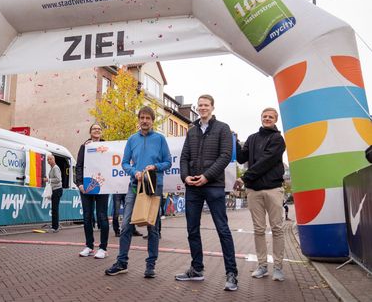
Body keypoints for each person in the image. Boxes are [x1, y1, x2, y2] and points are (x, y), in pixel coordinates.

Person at [175, 94, 238, 292]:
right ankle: (197, 269)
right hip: (192, 187)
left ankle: (231, 274)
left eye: (206, 105)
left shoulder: (223, 128)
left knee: (222, 229)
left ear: (212, 107)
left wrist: (207, 177)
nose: (203, 108)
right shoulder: (191, 131)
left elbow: (225, 156)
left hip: (213, 186)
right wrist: (185, 177)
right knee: (192, 230)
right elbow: (184, 157)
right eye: (200, 105)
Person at [105, 106, 171, 279]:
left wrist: (155, 167)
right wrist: (134, 171)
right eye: (142, 117)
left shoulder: (160, 139)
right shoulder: (132, 139)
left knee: (152, 227)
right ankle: (121, 263)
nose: (144, 121)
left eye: (148, 118)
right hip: (135, 185)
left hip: (154, 186)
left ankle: (150, 265)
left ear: (152, 120)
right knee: (126, 224)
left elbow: (168, 162)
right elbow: (125, 163)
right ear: (138, 119)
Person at [234, 107, 286, 282]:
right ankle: (262, 266)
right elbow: (241, 158)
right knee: (258, 229)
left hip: (273, 189)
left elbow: (266, 161)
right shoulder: (252, 138)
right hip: (254, 191)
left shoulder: (278, 139)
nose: (267, 118)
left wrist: (245, 177)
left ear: (275, 119)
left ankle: (278, 267)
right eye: (265, 116)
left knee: (277, 229)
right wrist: (234, 140)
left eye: (271, 117)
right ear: (261, 118)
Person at [75, 124, 109, 258]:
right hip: (87, 186)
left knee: (102, 216)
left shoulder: (107, 146)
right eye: (94, 129)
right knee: (87, 217)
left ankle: (103, 248)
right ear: (90, 132)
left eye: (99, 129)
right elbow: (79, 166)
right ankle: (89, 246)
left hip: (102, 186)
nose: (97, 130)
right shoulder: (84, 147)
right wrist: (79, 183)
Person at [44, 154, 62, 233]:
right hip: (55, 189)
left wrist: (49, 180)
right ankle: (55, 225)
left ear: (53, 159)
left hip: (57, 190)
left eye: (50, 159)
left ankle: (55, 227)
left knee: (55, 208)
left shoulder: (55, 168)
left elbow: (58, 179)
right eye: (47, 159)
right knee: (54, 208)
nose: (48, 161)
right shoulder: (53, 168)